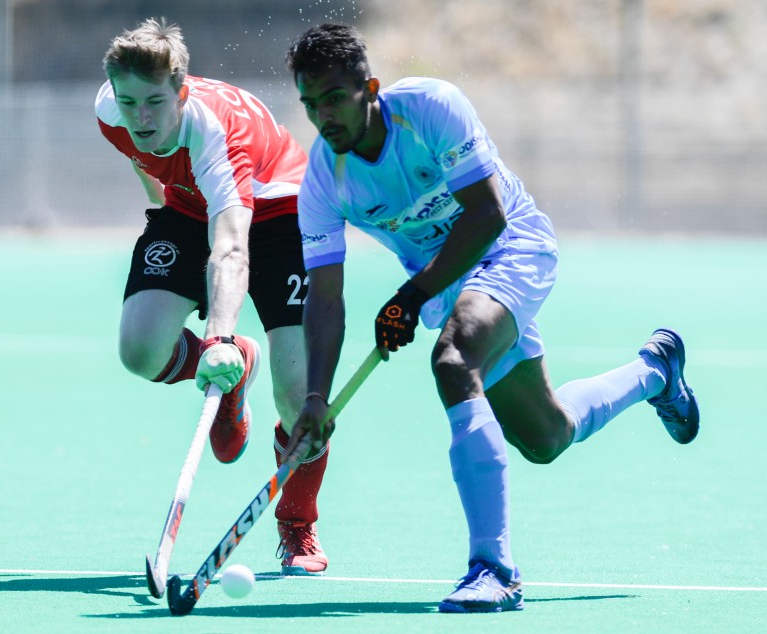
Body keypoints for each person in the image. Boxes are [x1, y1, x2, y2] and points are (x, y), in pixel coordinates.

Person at [283, 23, 700, 613]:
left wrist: (412, 294)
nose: (323, 117)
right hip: (448, 281)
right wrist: (315, 398)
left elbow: (487, 215)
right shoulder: (324, 181)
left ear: (369, 89)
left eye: (333, 99)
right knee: (546, 436)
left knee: (453, 360)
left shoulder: (429, 108)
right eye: (310, 104)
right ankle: (654, 372)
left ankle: (494, 569)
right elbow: (325, 298)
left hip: (510, 246)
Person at [96, 18, 330, 575]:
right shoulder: (110, 108)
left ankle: (297, 522)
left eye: (155, 102)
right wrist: (163, 210)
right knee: (139, 350)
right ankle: (237, 366)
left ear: (181, 92)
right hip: (187, 204)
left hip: (282, 211)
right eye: (131, 103)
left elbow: (230, 247)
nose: (141, 118)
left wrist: (217, 337)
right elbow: (141, 155)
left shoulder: (217, 135)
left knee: (298, 395)